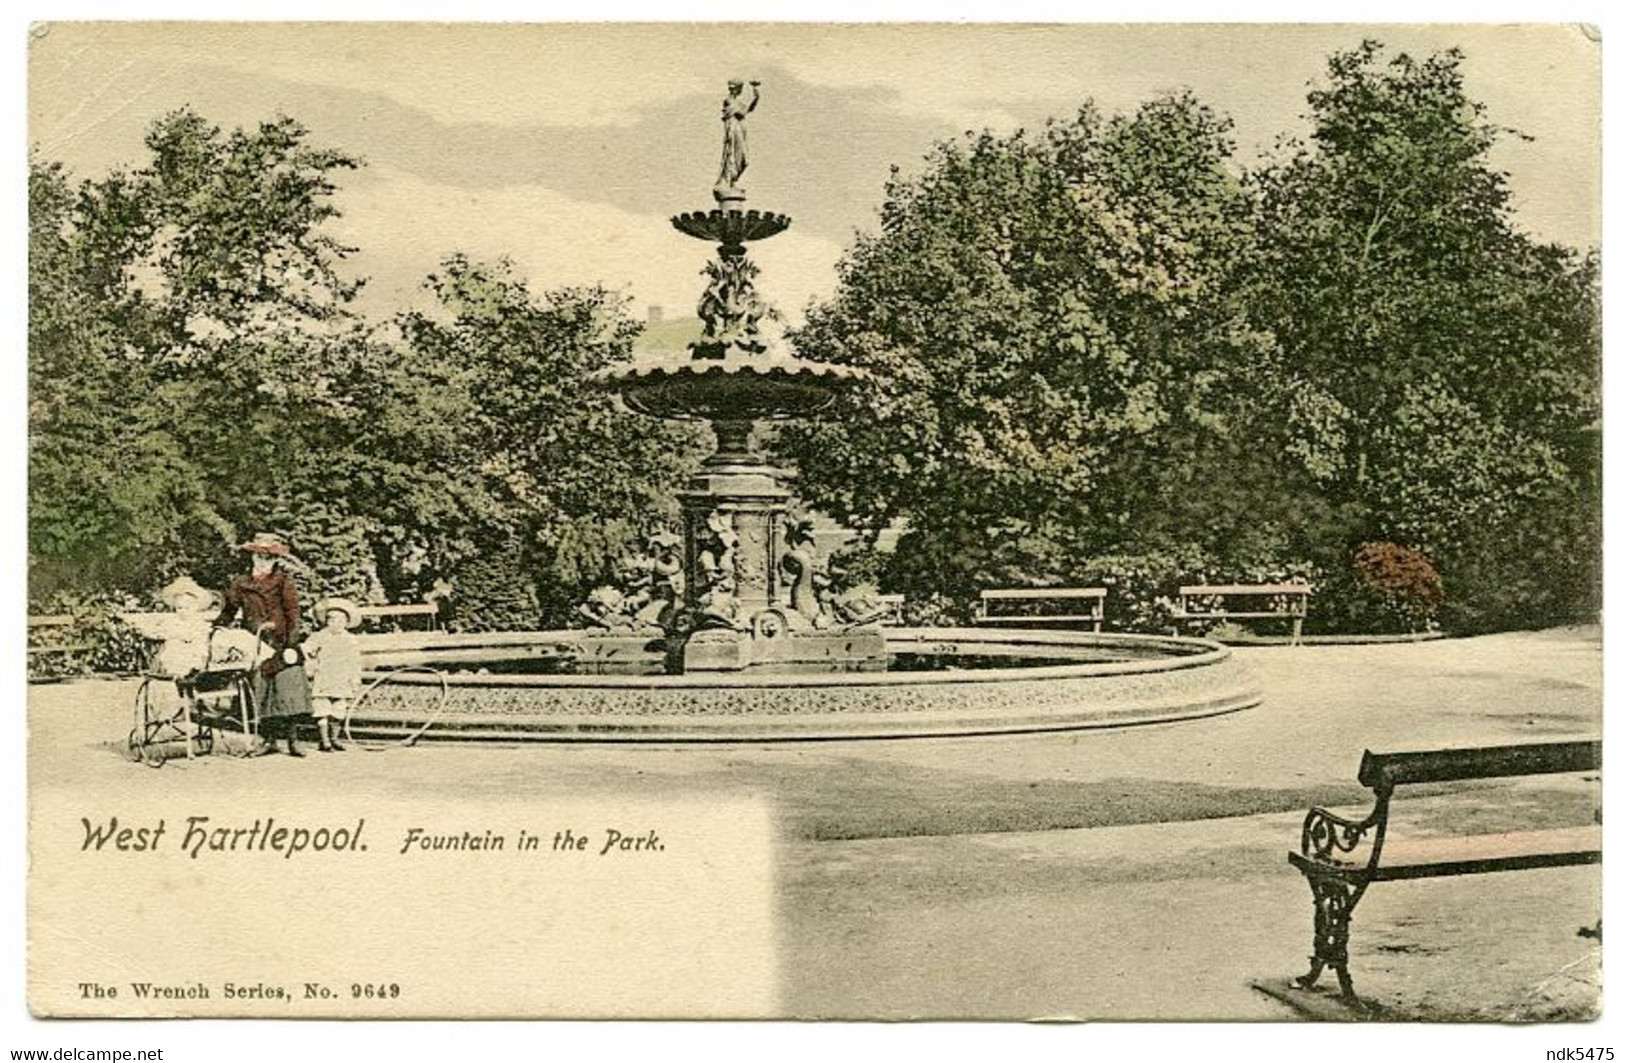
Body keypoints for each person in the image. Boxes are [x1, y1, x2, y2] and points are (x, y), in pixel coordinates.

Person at [214, 532, 313, 757]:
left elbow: (293, 613)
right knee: (261, 689)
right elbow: (229, 610)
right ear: (252, 557)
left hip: (281, 641)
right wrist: (219, 628)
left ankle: (293, 739)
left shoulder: (283, 581)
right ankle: (268, 739)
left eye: (268, 557)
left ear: (275, 560)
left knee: (288, 689)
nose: (263, 561)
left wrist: (290, 642)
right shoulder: (241, 583)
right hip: (255, 643)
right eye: (259, 556)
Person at [304, 597, 364, 753]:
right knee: (322, 708)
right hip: (324, 676)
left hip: (342, 678)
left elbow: (355, 661)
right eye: (332, 620)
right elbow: (306, 649)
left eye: (340, 620)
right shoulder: (320, 636)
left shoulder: (350, 640)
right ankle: (324, 741)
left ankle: (334, 738)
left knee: (339, 709)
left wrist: (355, 679)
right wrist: (311, 661)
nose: (336, 624)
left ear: (346, 622)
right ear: (326, 621)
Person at [715, 79, 761, 196]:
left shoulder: (736, 102)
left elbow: (747, 110)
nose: (740, 91)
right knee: (732, 156)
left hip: (740, 131)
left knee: (744, 160)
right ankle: (729, 182)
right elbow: (742, 113)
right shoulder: (728, 101)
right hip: (734, 132)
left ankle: (732, 181)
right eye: (739, 89)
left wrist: (755, 98)